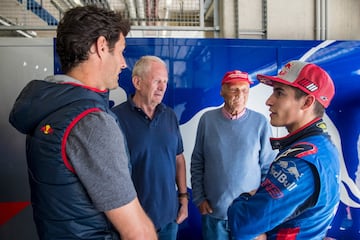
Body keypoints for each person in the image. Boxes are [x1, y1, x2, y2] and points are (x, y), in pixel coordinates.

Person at [8, 5, 157, 240]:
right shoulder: (90, 122)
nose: (123, 63)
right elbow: (137, 231)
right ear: (100, 47)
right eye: (120, 51)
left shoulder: (48, 108)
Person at [228, 60, 341, 239]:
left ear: (307, 102)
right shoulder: (322, 145)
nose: (269, 101)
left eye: (279, 93)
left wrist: (245, 198)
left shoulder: (302, 161)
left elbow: (241, 223)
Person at [190, 70, 276, 240]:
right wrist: (199, 198)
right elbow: (197, 162)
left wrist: (262, 207)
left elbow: (269, 168)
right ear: (222, 91)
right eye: (234, 90)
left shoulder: (260, 123)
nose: (240, 95)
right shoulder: (207, 120)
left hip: (248, 216)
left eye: (244, 90)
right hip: (214, 214)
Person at [111, 55, 188, 240]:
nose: (162, 87)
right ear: (137, 82)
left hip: (169, 219)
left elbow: (178, 158)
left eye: (165, 82)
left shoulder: (169, 115)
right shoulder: (115, 118)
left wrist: (183, 199)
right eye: (157, 81)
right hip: (132, 222)